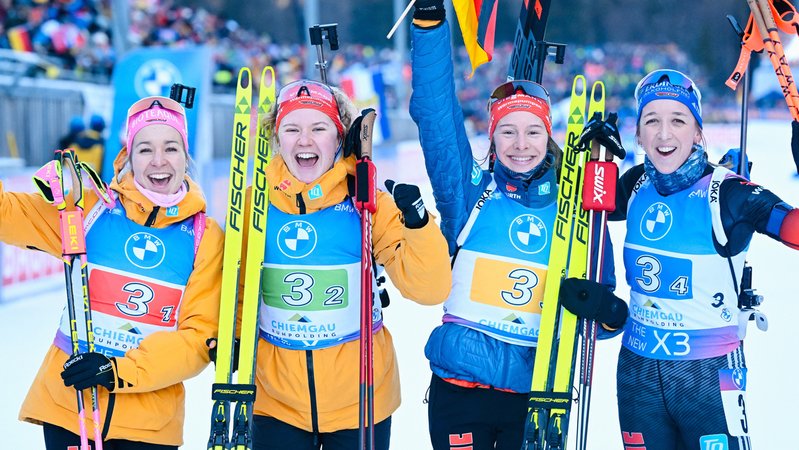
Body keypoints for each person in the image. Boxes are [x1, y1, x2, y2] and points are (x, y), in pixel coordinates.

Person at [408, 4, 628, 449]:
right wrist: (430, 27)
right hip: (461, 389)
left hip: (539, 394)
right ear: (491, 138)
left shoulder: (577, 209)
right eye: (507, 132)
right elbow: (435, 118)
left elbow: (599, 306)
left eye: (533, 132)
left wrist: (605, 313)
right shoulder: (468, 193)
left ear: (549, 135)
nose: (521, 145)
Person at [587, 69, 799, 449]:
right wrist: (591, 161)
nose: (664, 134)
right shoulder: (636, 184)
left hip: (708, 375)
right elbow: (587, 207)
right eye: (652, 120)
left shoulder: (729, 192)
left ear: (698, 132)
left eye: (678, 120)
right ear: (638, 134)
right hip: (638, 374)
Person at [0, 96, 224, 449]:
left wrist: (119, 371)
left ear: (186, 156)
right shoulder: (88, 210)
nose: (159, 161)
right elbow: (5, 213)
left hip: (149, 422)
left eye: (171, 148)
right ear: (128, 157)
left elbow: (198, 340)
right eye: (145, 149)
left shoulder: (205, 237)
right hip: (68, 403)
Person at [245, 79, 452, 450]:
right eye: (292, 129)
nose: (304, 140)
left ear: (339, 137)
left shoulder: (367, 201)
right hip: (276, 403)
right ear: (278, 138)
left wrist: (418, 222)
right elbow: (235, 292)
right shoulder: (253, 204)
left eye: (318, 128)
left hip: (362, 401)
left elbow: (430, 288)